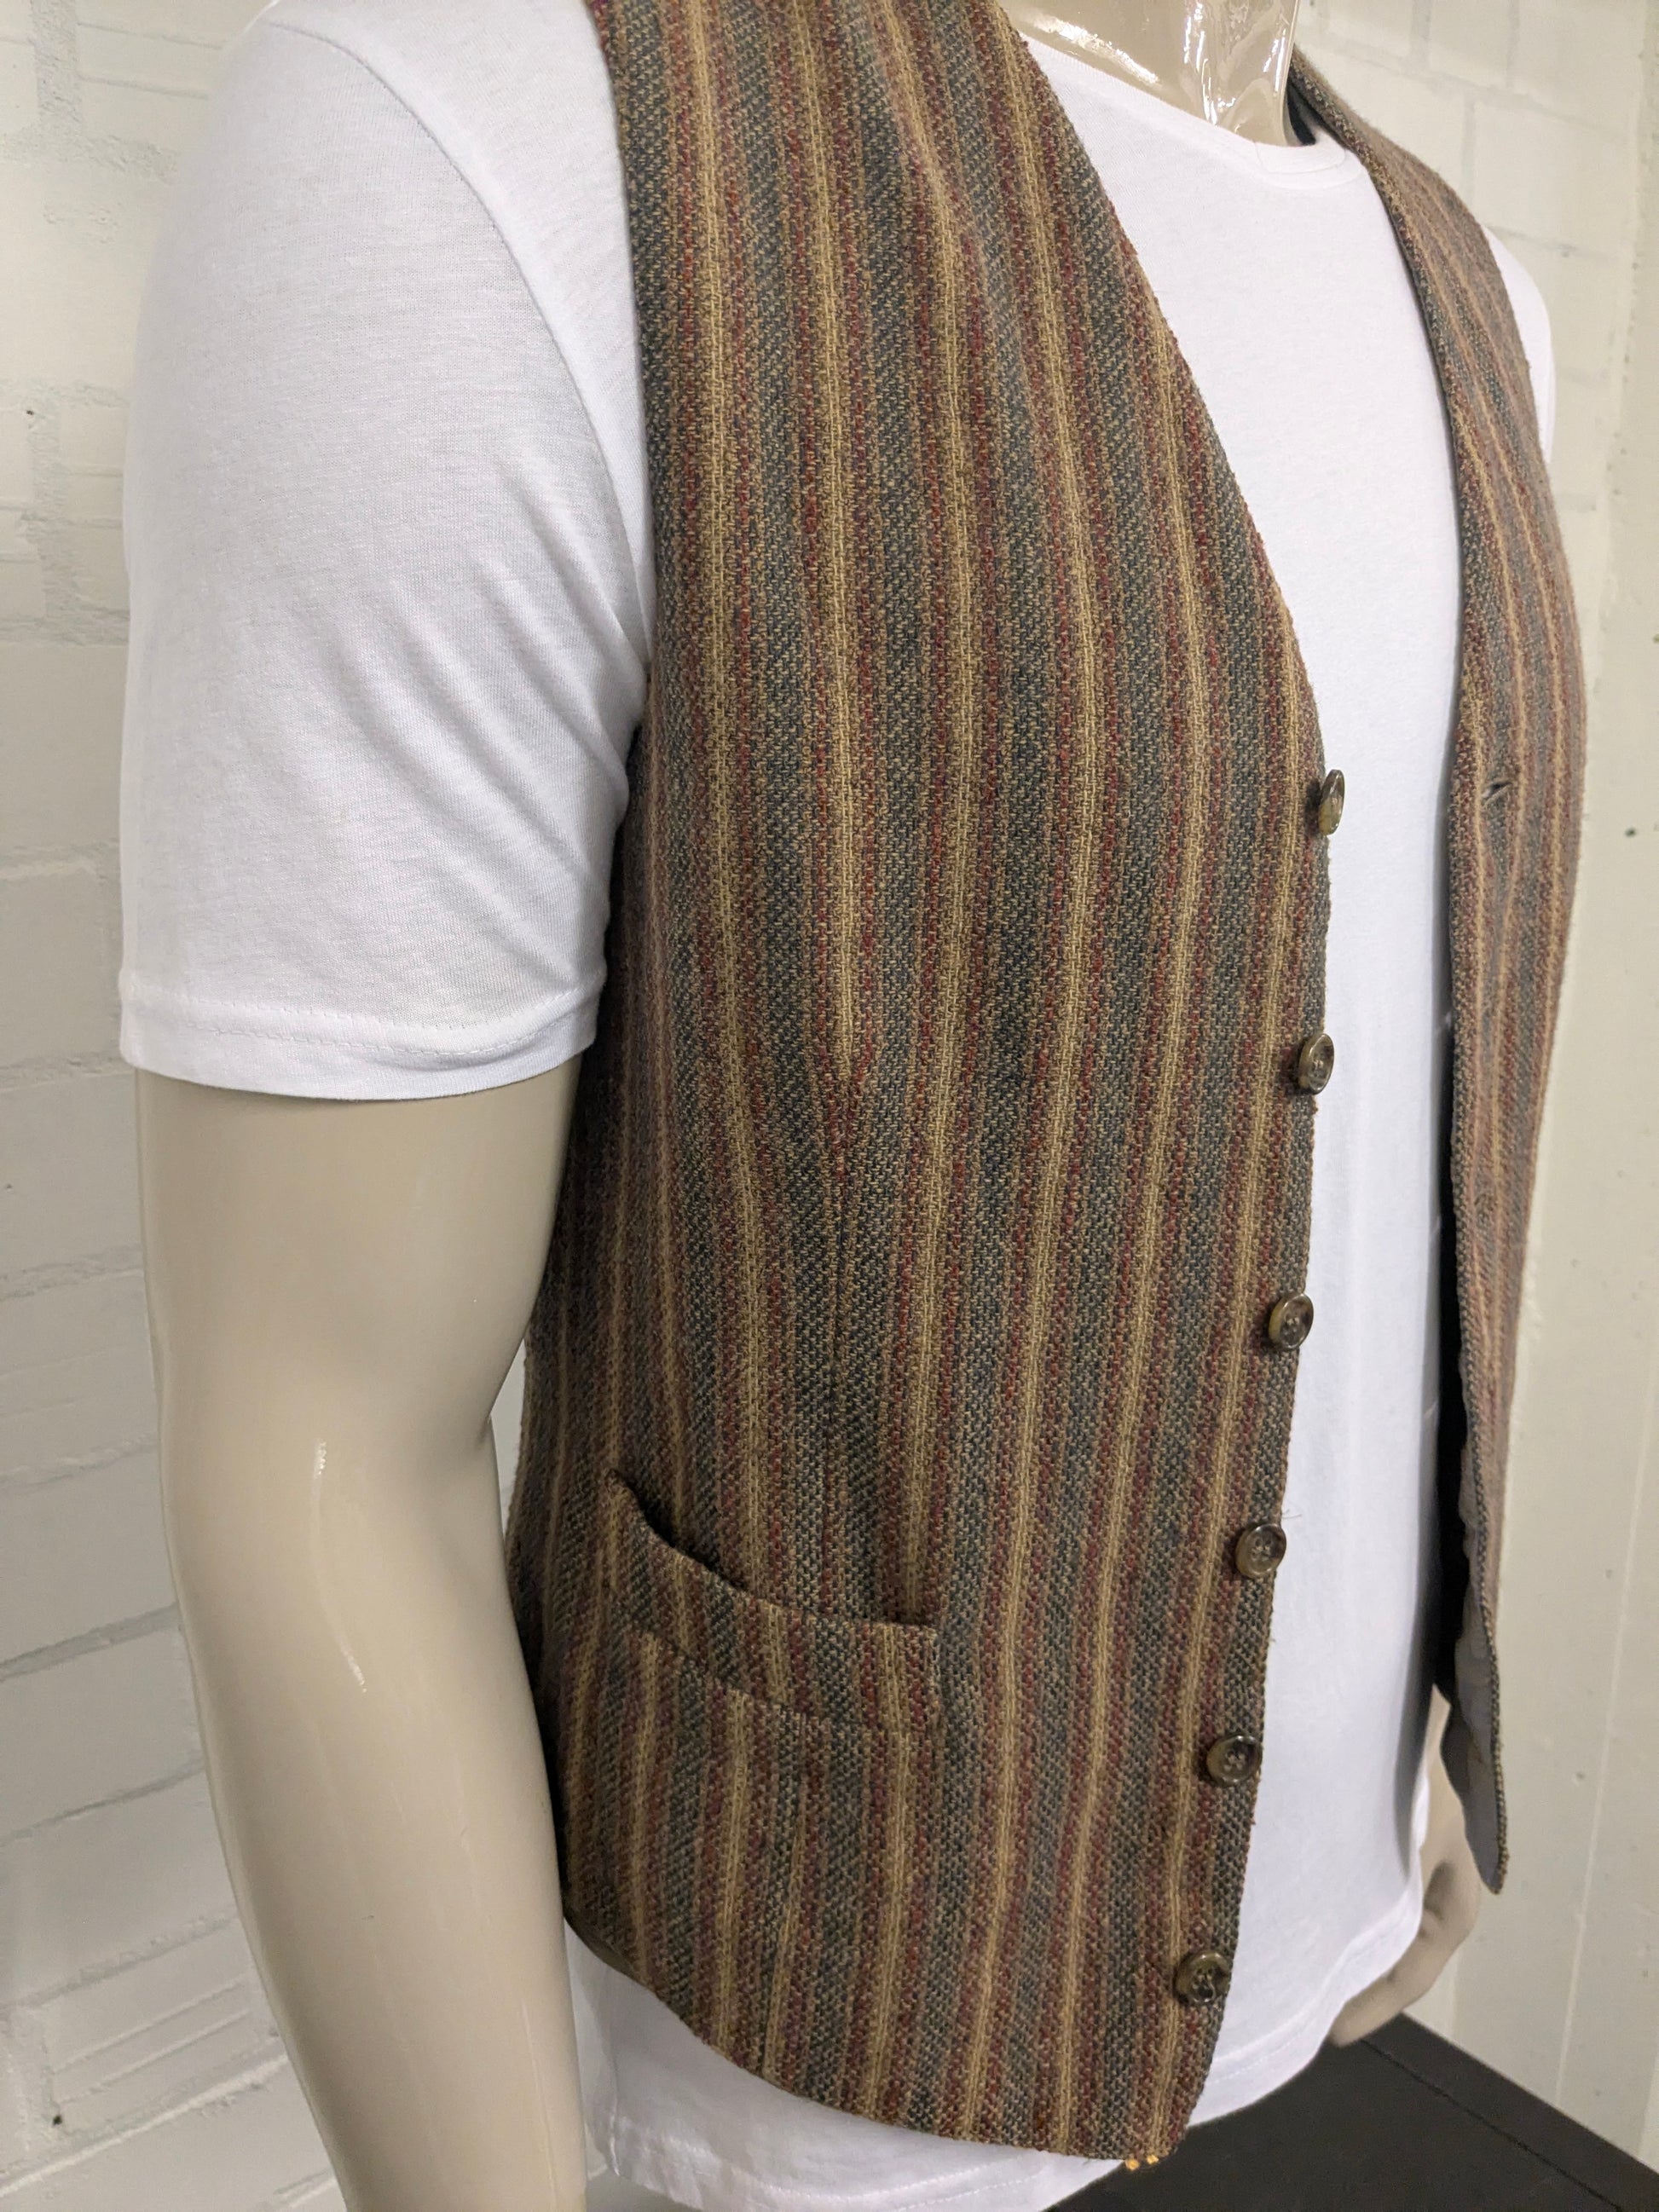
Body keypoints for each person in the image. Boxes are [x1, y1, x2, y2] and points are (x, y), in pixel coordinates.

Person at [119, 0, 1580, 2203]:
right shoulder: (499, 139)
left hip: (1350, 1931)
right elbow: (317, 1426)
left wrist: (1424, 1719)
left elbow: (1403, 1079)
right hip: (809, 2058)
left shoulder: (1471, 289)